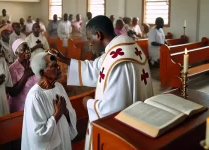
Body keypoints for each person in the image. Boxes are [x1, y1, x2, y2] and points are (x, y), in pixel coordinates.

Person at [49, 15, 153, 150]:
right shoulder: (124, 48)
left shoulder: (118, 61)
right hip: (140, 120)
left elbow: (113, 108)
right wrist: (65, 60)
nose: (89, 43)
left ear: (98, 35)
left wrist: (89, 103)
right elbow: (94, 68)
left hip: (123, 129)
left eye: (89, 38)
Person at [21, 52, 77, 150]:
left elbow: (70, 112)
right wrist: (58, 114)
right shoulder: (35, 96)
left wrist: (66, 112)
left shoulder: (59, 87)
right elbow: (38, 134)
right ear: (42, 72)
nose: (59, 68)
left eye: (57, 64)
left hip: (64, 137)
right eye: (53, 66)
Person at [8, 39, 38, 112]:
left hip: (34, 103)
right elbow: (13, 92)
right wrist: (26, 75)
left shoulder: (34, 63)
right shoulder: (12, 69)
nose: (27, 51)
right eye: (23, 50)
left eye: (28, 48)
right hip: (20, 106)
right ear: (16, 53)